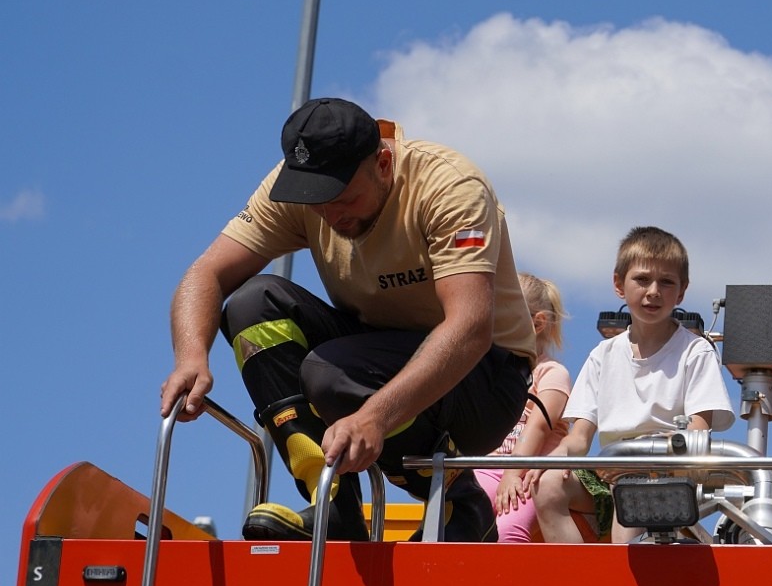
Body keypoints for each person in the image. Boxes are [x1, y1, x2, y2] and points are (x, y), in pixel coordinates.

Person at [159, 97, 536, 543]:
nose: (331, 215)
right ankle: (334, 504)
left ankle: (462, 503)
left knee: (332, 374)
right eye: (318, 204)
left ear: (382, 164)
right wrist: (191, 357)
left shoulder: (448, 186)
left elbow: (470, 328)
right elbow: (207, 273)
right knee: (252, 304)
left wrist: (375, 416)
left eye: (344, 199)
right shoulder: (299, 191)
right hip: (371, 353)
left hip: (485, 379)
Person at [532, 226, 735, 543]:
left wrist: (660, 447)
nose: (653, 291)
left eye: (666, 282)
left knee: (633, 494)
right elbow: (580, 437)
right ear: (619, 284)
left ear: (681, 292)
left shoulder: (695, 351)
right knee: (548, 485)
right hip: (610, 473)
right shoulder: (603, 355)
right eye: (642, 279)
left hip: (666, 476)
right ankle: (578, 572)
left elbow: (698, 428)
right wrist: (555, 458)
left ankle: (619, 570)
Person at [475, 272, 573, 542]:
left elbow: (539, 427)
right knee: (463, 517)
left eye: (501, 317)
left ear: (536, 323)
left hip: (531, 472)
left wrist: (512, 473)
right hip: (486, 467)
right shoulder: (491, 373)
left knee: (508, 530)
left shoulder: (552, 373)